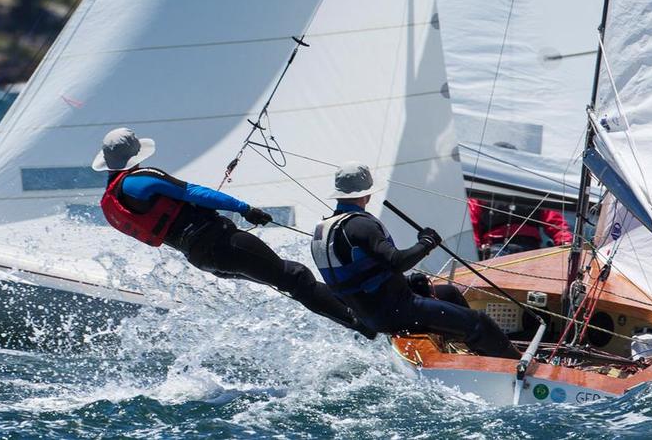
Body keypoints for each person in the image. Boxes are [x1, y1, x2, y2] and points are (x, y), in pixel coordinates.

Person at [93, 127, 373, 338]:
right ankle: (367, 325)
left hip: (203, 258)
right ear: (135, 155)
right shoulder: (141, 179)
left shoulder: (113, 197)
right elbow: (193, 192)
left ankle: (360, 321)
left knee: (289, 281)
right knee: (295, 277)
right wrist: (244, 208)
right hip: (222, 244)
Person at [311, 162, 517, 358]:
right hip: (398, 311)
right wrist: (426, 243)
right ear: (366, 193)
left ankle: (464, 350)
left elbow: (360, 276)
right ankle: (518, 366)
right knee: (480, 323)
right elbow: (398, 262)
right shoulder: (361, 226)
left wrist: (407, 282)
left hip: (371, 314)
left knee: (449, 293)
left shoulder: (323, 230)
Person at [468, 198, 572, 260]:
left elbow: (555, 221)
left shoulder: (535, 191)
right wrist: (474, 247)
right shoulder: (483, 191)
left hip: (530, 247)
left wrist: (566, 242)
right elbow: (471, 222)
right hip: (494, 245)